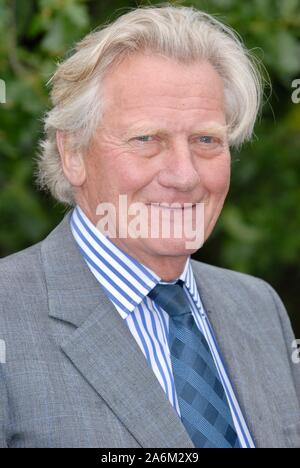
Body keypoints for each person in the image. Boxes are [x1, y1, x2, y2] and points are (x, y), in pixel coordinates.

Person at [0, 5, 299, 448]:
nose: (184, 175)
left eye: (206, 140)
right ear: (73, 154)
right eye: (146, 139)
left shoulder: (259, 308)